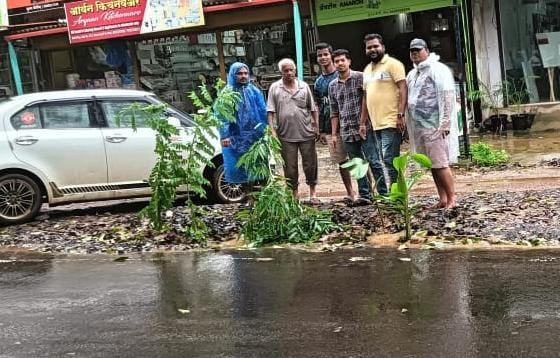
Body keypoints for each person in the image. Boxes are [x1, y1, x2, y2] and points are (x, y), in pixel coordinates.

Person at [406, 38, 459, 209]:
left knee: (441, 163)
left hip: (434, 125)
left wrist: (444, 122)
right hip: (419, 126)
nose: (415, 53)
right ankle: (442, 198)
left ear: (426, 51)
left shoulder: (438, 69)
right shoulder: (413, 74)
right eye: (412, 51)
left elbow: (447, 95)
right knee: (432, 164)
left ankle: (452, 199)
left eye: (418, 50)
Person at [328, 49, 382, 204]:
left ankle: (384, 194)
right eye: (336, 61)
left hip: (365, 128)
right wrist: (333, 134)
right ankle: (365, 196)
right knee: (357, 165)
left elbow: (369, 100)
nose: (339, 64)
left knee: (374, 161)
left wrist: (363, 123)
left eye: (342, 60)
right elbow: (334, 111)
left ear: (349, 61)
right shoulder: (332, 86)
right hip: (346, 130)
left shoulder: (360, 77)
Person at [267, 58, 320, 203]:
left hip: (306, 132)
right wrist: (272, 131)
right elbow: (270, 112)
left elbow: (313, 108)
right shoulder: (274, 88)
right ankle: (294, 194)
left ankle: (313, 193)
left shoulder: (303, 86)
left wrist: (316, 126)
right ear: (281, 72)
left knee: (310, 165)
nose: (289, 73)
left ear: (295, 70)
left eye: (292, 70)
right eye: (286, 70)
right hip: (285, 135)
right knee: (290, 167)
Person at [359, 33, 407, 190]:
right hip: (376, 124)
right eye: (369, 47)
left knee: (390, 160)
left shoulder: (393, 64)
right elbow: (366, 97)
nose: (372, 49)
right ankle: (396, 194)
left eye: (375, 46)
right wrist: (363, 123)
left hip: (391, 121)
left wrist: (400, 115)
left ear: (383, 47)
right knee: (385, 160)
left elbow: (403, 88)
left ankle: (399, 196)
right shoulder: (366, 70)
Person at [314, 43, 356, 203]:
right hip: (331, 128)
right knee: (341, 161)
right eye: (320, 55)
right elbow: (319, 106)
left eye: (325, 54)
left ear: (331, 55)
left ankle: (366, 191)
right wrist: (320, 129)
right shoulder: (318, 82)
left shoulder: (342, 74)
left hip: (349, 123)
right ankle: (350, 192)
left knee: (357, 158)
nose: (323, 58)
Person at [218, 62, 268, 195]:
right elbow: (222, 117)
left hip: (255, 136)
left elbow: (263, 111)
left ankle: (261, 197)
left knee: (258, 164)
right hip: (237, 136)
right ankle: (247, 196)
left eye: (246, 73)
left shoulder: (254, 91)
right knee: (241, 167)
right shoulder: (227, 93)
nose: (243, 76)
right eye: (240, 73)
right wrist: (224, 136)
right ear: (233, 75)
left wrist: (267, 129)